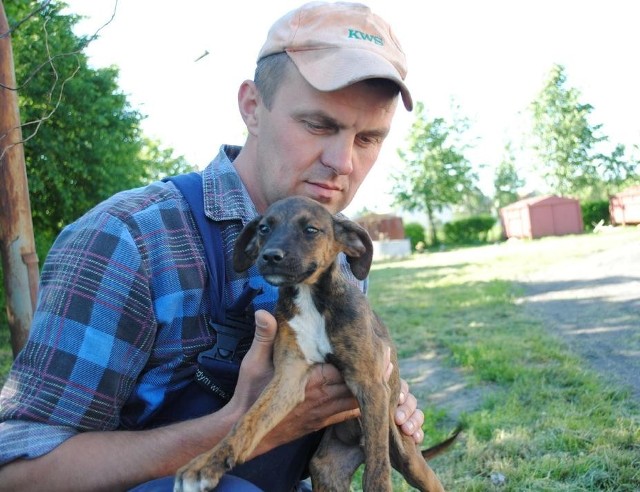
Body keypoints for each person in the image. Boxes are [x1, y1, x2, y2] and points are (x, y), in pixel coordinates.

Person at [0, 2, 424, 490]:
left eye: (368, 138)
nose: (342, 162)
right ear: (251, 107)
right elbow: (17, 474)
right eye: (318, 125)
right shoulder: (127, 240)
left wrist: (375, 389)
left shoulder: (337, 248)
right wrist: (235, 430)